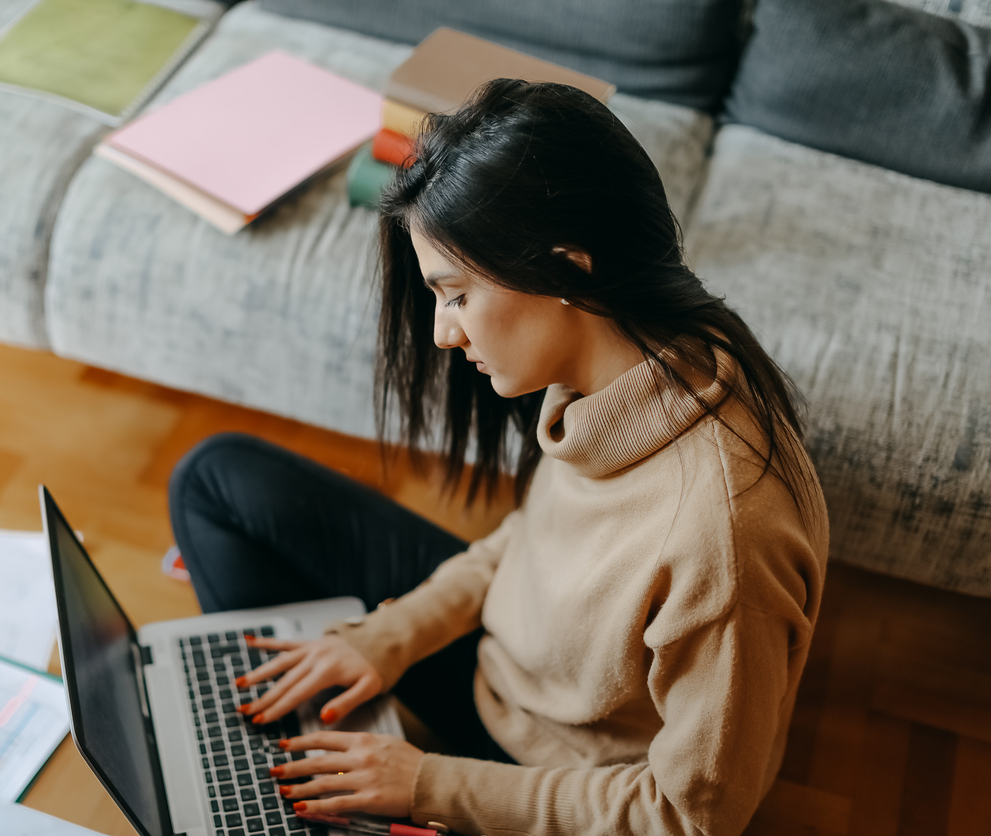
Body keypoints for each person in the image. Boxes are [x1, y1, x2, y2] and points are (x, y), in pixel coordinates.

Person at [168, 79, 828, 836]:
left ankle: (284, 792)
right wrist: (393, 634)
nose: (445, 334)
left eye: (455, 296)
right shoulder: (634, 366)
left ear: (568, 270)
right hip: (508, 669)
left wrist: (428, 784)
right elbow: (535, 544)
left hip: (558, 782)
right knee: (214, 479)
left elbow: (691, 816)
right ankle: (289, 763)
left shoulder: (725, 539)